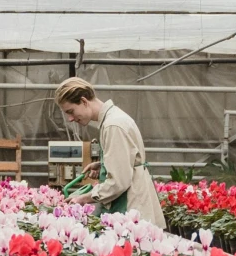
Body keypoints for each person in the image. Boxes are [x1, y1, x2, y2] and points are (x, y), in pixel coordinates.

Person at [55, 77, 161, 227]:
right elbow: (130, 160)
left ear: (84, 101)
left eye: (71, 111)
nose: (70, 119)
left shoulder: (113, 125)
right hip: (134, 202)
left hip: (131, 209)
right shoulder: (112, 119)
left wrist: (85, 198)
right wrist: (104, 164)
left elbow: (119, 182)